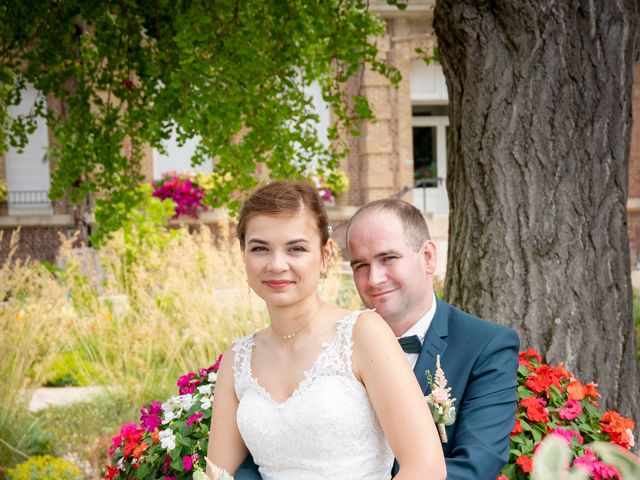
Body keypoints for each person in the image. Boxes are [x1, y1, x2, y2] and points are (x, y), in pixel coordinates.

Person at [206, 181, 446, 480]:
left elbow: (426, 467)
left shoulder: (363, 334)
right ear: (244, 257)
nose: (277, 264)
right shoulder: (237, 359)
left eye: (296, 248)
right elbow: (216, 475)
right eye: (260, 248)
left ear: (325, 255)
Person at [346, 198, 520, 480]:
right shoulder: (334, 342)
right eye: (360, 265)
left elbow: (476, 464)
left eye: (388, 258)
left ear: (427, 257)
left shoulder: (486, 346)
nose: (374, 278)